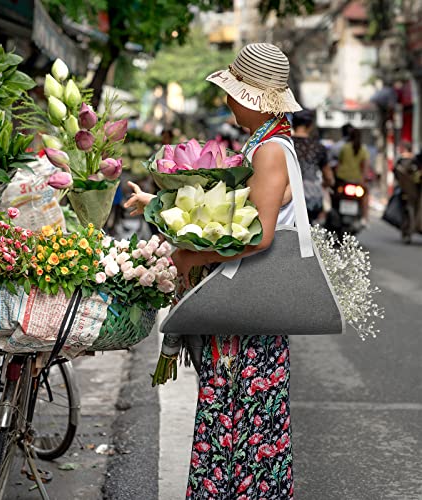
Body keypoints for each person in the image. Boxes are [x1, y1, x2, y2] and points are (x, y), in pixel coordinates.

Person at [125, 43, 302, 499]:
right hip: (247, 310)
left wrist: (192, 258)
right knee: (239, 416)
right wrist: (160, 204)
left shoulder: (269, 151)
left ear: (251, 98)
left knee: (238, 415)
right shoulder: (265, 143)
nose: (226, 101)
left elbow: (260, 235)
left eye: (232, 92)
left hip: (246, 311)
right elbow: (228, 213)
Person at [292, 109, 334, 223]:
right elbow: (329, 177)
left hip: (289, 197)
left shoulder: (286, 143)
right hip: (312, 199)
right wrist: (325, 185)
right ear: (310, 126)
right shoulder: (318, 147)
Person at [336, 127, 370, 225]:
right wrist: (363, 180)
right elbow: (365, 168)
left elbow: (339, 164)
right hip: (357, 181)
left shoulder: (345, 148)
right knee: (365, 195)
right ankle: (364, 217)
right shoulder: (363, 150)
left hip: (342, 179)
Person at [394, 144, 422, 243]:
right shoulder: (413, 162)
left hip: (415, 193)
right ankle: (408, 231)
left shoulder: (411, 161)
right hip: (411, 192)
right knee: (409, 211)